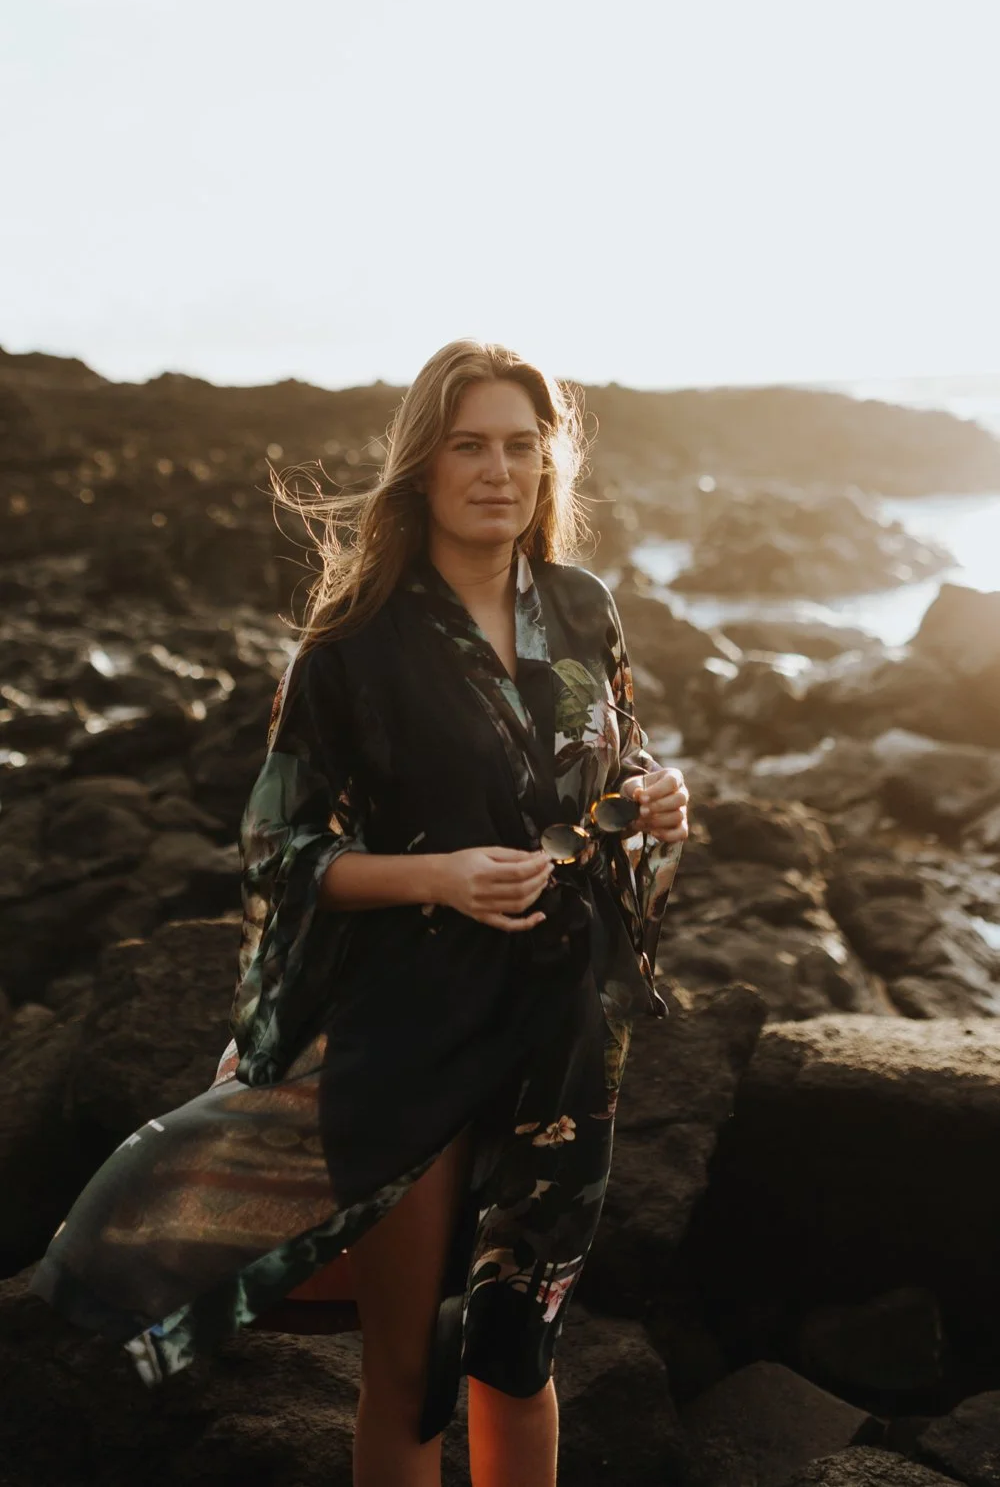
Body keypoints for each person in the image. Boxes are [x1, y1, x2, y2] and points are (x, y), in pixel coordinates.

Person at [29, 339, 689, 1487]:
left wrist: (661, 809)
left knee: (516, 1354)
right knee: (411, 1369)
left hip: (563, 1034)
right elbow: (281, 852)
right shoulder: (351, 646)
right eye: (468, 445)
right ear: (421, 466)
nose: (497, 470)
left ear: (550, 465)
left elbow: (612, 786)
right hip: (410, 1027)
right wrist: (435, 877)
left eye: (521, 447)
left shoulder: (585, 611)